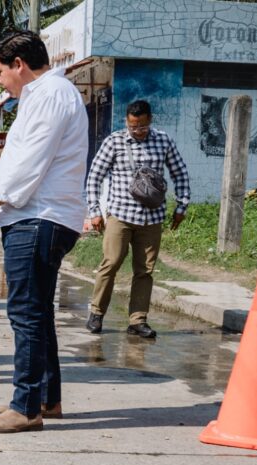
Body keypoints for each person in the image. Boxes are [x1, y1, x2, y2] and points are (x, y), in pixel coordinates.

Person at [0, 30, 88, 433]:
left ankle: (26, 407)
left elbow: (28, 164)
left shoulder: (51, 94)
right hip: (39, 216)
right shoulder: (44, 95)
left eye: (0, 72)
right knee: (38, 312)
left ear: (19, 64)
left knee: (26, 313)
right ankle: (45, 398)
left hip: (39, 217)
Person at [84, 100, 191, 339]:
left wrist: (182, 205)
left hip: (152, 218)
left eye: (141, 126)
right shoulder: (114, 142)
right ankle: (96, 313)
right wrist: (94, 211)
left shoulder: (163, 141)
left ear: (149, 120)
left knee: (145, 271)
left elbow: (180, 172)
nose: (138, 131)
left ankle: (138, 320)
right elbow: (95, 176)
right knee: (110, 263)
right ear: (126, 122)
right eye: (133, 126)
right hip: (120, 216)